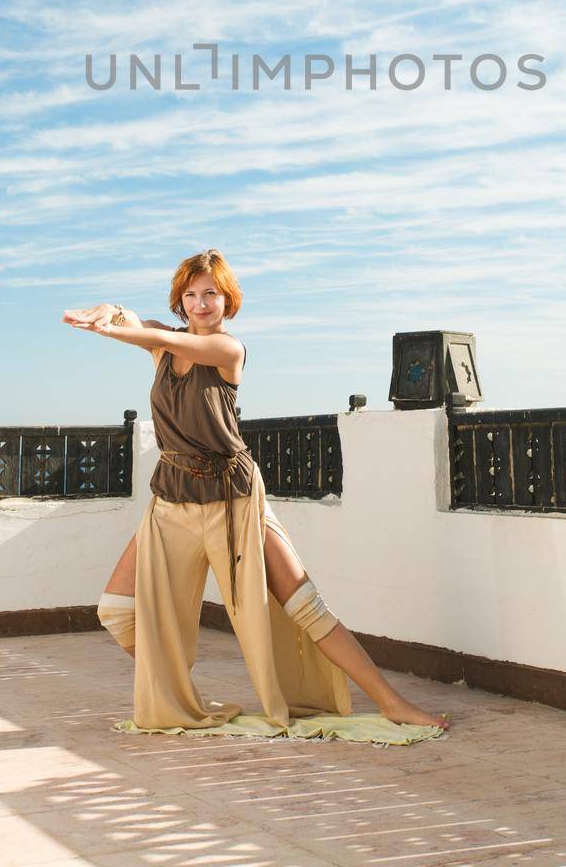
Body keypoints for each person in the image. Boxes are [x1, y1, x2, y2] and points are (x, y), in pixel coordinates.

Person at [63, 248, 450, 738]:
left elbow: (153, 333)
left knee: (305, 605)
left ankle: (391, 702)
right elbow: (145, 326)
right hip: (172, 498)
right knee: (116, 610)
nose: (201, 304)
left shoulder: (228, 350)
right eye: (191, 295)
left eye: (211, 294)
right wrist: (109, 310)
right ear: (181, 301)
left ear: (229, 301)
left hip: (234, 500)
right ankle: (176, 692)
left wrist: (117, 329)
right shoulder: (165, 345)